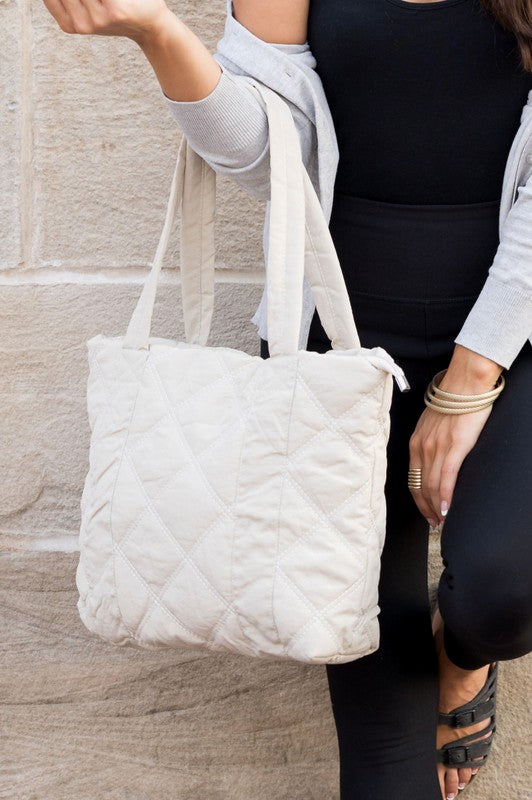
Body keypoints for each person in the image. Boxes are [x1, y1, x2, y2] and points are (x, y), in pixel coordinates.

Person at [41, 1, 532, 798]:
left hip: (515, 335)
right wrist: (158, 33)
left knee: (505, 594)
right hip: (337, 349)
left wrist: (467, 382)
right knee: (378, 728)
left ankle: (463, 656)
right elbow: (264, 155)